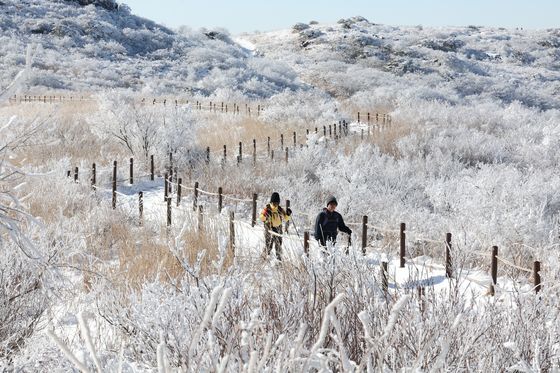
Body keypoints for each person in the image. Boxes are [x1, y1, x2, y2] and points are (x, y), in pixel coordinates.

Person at [260, 192, 291, 260]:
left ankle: (278, 259)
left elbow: (286, 218)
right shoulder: (267, 208)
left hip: (278, 228)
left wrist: (288, 214)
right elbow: (261, 217)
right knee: (268, 244)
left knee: (279, 245)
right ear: (271, 202)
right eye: (274, 202)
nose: (275, 204)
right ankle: (264, 258)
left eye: (277, 203)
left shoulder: (279, 209)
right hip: (269, 228)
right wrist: (265, 216)